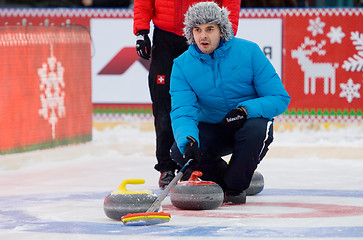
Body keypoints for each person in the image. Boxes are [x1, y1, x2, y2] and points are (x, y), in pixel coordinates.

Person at [169, 2, 291, 204]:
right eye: (197, 30)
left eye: (209, 29)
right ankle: (229, 181)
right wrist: (188, 139)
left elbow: (279, 98)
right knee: (179, 150)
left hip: (248, 125)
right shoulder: (182, 65)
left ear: (222, 30)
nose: (203, 36)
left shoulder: (249, 51)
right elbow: (183, 110)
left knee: (254, 132)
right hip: (214, 127)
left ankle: (236, 184)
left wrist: (245, 110)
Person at [133, 0, 241, 189]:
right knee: (163, 103)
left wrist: (227, 31)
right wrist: (142, 31)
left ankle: (195, 164)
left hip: (200, 33)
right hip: (165, 38)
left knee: (202, 102)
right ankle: (166, 166)